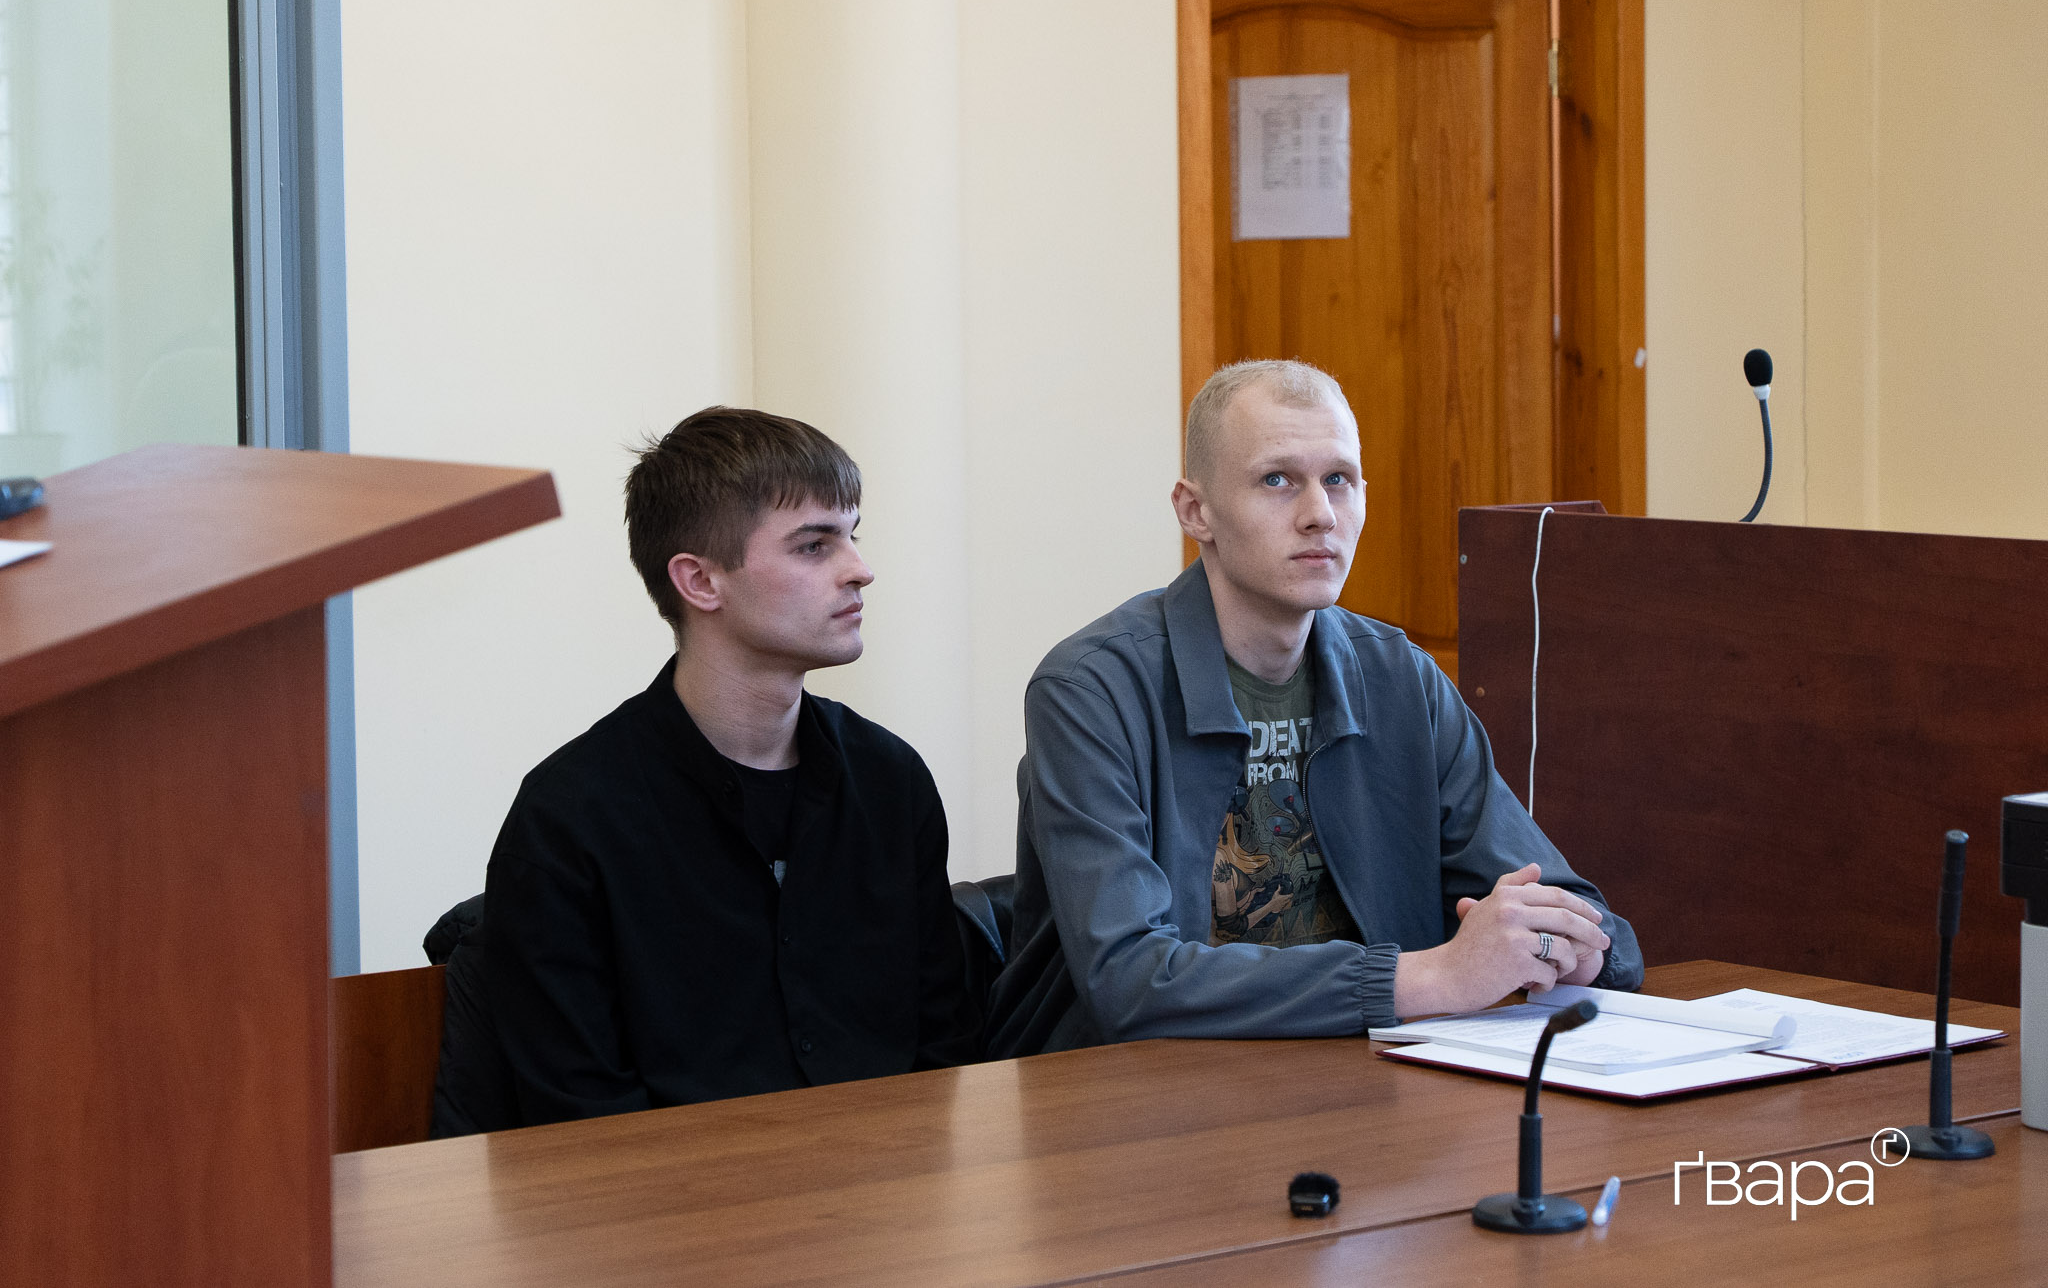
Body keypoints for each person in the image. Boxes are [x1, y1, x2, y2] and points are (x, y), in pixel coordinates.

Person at [985, 360, 1642, 1058]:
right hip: (1127, 1092)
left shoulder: (1402, 678)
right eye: (1277, 479)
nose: (1320, 514)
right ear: (1195, 511)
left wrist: (1564, 946)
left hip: (1357, 1076)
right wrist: (1432, 976)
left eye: (1339, 479)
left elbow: (1593, 923)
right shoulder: (1089, 690)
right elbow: (1129, 981)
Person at [432, 407, 979, 1134]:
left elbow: (946, 1054)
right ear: (700, 581)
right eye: (814, 545)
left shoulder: (891, 780)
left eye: (853, 535)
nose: (860, 569)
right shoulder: (570, 816)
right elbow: (584, 1121)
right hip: (665, 1198)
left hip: (892, 1183)